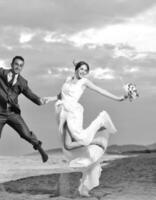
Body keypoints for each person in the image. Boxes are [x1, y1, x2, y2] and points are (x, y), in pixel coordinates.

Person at [45, 61, 127, 196]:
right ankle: (86, 156)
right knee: (67, 145)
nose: (83, 71)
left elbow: (101, 90)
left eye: (85, 70)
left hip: (73, 114)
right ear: (76, 69)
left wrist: (118, 98)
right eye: (81, 69)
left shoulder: (84, 82)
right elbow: (61, 95)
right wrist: (49, 99)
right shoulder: (67, 79)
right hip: (63, 113)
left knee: (80, 141)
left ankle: (100, 120)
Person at [0, 43, 49, 176]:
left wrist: (39, 100)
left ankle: (40, 149)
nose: (18, 67)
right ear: (12, 64)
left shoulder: (22, 82)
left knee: (26, 134)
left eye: (20, 65)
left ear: (22, 67)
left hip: (13, 113)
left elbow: (30, 95)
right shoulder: (0, 73)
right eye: (16, 64)